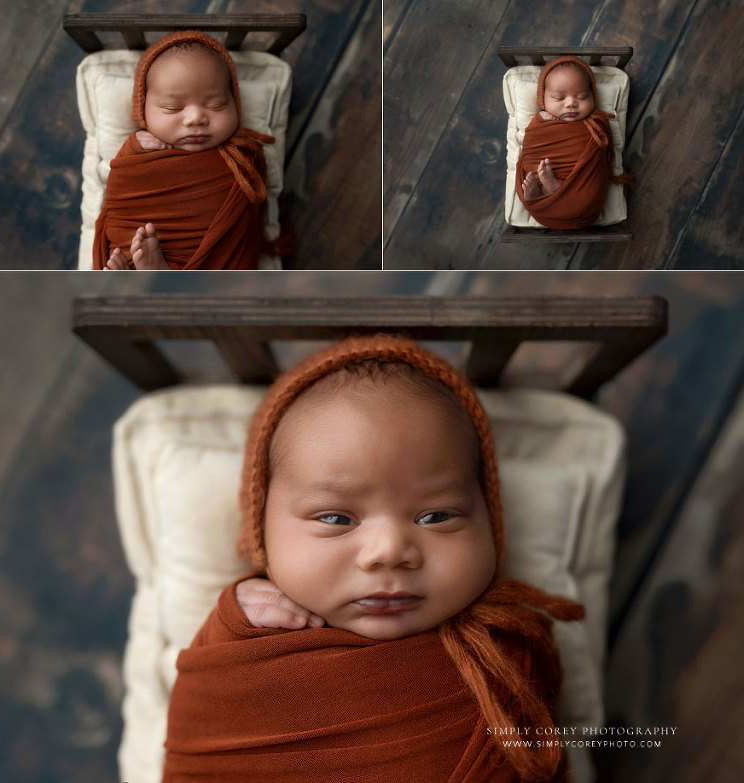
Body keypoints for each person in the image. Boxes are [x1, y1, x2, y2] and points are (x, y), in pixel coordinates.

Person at [161, 335, 585, 783]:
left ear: (492, 524)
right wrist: (230, 623)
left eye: (436, 516)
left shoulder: (507, 652)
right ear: (260, 533)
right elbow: (203, 728)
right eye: (336, 518)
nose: (388, 552)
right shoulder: (249, 633)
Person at [93, 31, 274, 270]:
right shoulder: (138, 153)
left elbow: (245, 229)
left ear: (235, 104)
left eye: (216, 105)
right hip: (145, 247)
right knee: (130, 247)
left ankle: (160, 277)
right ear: (143, 111)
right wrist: (134, 147)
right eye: (172, 107)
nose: (196, 118)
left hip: (216, 265)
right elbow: (122, 191)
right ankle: (143, 274)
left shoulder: (243, 158)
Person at [515, 55, 631, 229]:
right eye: (559, 98)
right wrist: (544, 122)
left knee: (588, 194)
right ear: (542, 99)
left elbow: (599, 159)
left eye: (582, 97)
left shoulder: (597, 124)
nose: (571, 103)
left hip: (583, 198)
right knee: (533, 171)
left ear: (593, 97)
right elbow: (531, 148)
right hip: (548, 178)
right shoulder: (540, 122)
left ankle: (554, 191)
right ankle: (541, 193)